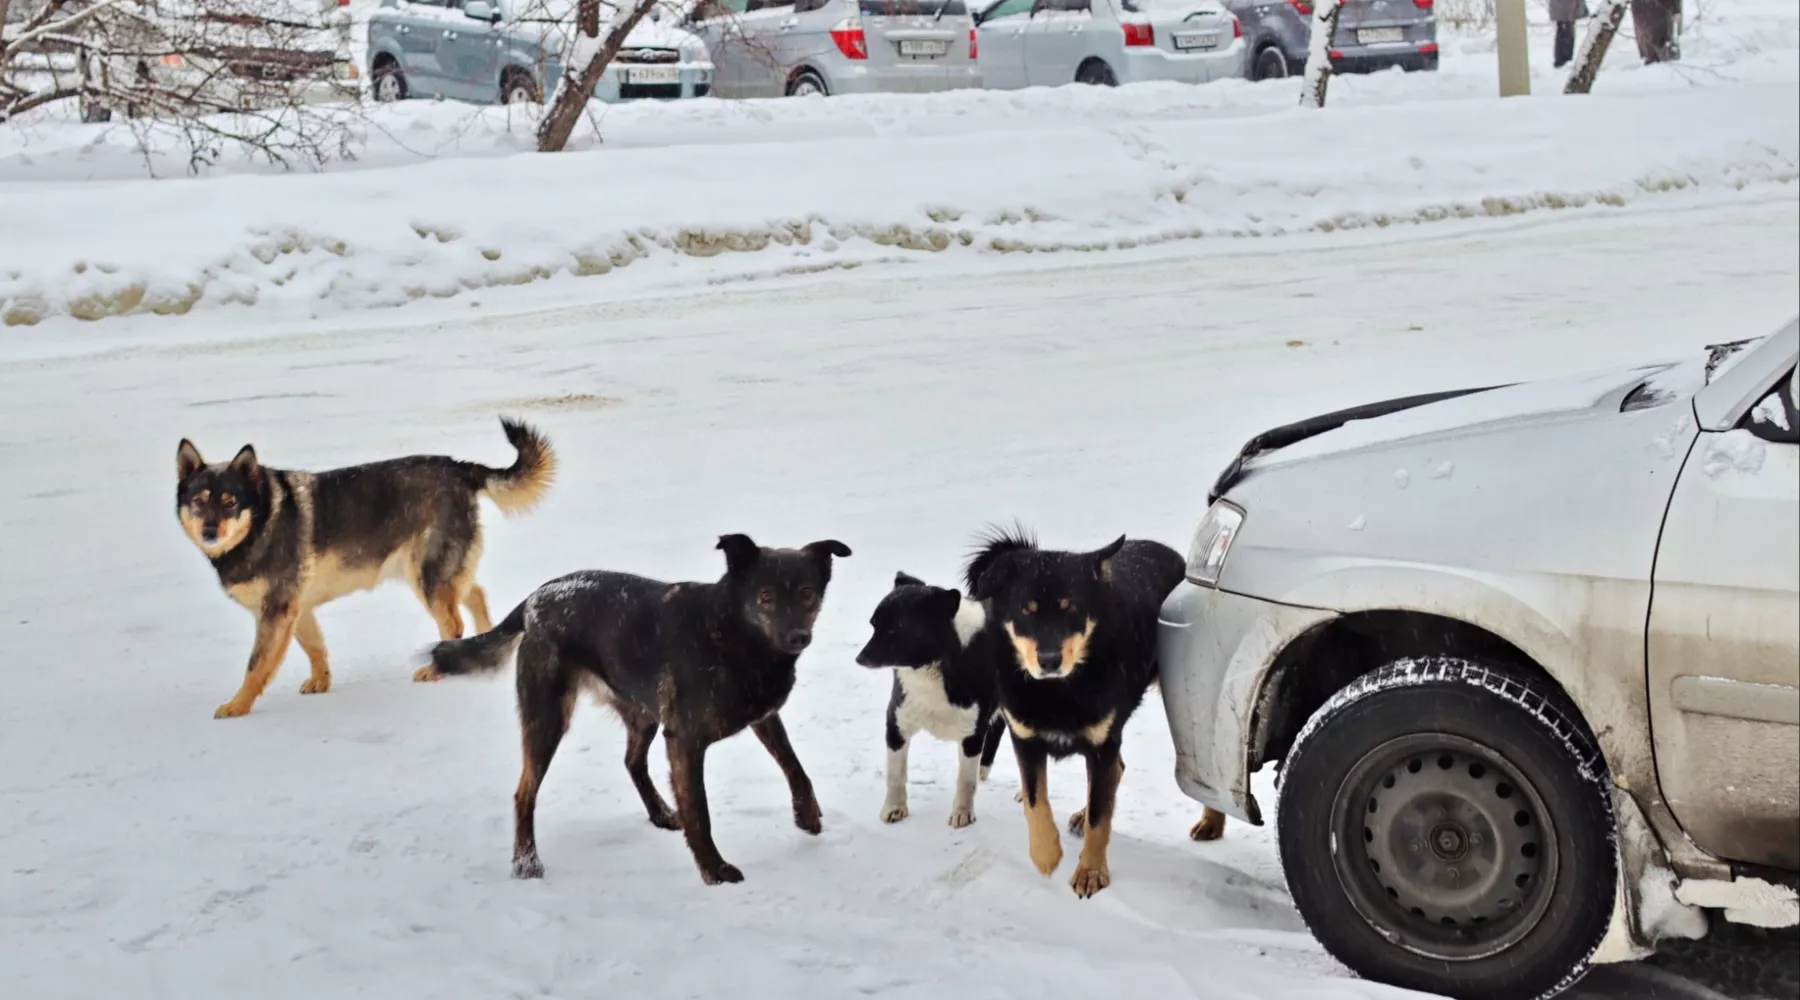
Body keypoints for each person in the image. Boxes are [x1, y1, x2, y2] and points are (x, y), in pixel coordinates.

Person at [1549, 0, 1590, 69]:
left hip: (1565, 10)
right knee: (1566, 33)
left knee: (1565, 33)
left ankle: (1563, 59)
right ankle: (1563, 59)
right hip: (1566, 10)